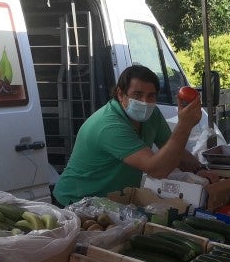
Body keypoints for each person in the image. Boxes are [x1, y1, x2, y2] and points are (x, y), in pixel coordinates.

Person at [53, 65, 215, 206]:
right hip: (76, 202)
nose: (145, 101)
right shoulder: (109, 125)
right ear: (120, 94)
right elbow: (157, 169)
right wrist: (184, 125)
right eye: (137, 95)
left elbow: (173, 150)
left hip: (113, 203)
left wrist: (199, 170)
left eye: (151, 96)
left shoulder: (152, 115)